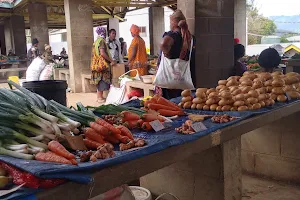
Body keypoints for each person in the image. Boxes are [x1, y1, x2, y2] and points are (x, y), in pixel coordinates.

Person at [155, 10, 195, 100]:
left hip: (168, 80)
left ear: (174, 22)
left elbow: (163, 44)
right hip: (182, 81)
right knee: (181, 102)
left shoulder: (173, 35)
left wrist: (167, 55)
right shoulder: (190, 38)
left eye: (170, 21)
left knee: (165, 104)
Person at [90, 27, 117, 103]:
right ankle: (100, 97)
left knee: (99, 80)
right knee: (102, 79)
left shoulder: (96, 41)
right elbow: (102, 53)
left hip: (97, 64)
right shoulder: (101, 41)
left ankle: (100, 96)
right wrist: (111, 60)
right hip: (102, 65)